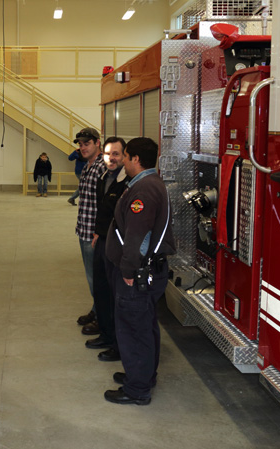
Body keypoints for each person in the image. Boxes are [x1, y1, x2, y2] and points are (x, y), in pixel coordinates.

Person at [104, 137, 176, 405]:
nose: (121, 160)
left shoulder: (144, 190)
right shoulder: (148, 184)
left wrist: (128, 270)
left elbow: (138, 236)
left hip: (138, 273)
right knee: (145, 325)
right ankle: (143, 375)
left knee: (134, 330)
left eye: (125, 156)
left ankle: (137, 389)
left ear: (135, 159)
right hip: (147, 271)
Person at [84, 137, 129, 363]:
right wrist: (97, 233)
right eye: (108, 154)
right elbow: (103, 211)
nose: (111, 158)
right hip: (102, 240)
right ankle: (106, 334)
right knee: (101, 289)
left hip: (117, 245)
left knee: (114, 295)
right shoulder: (104, 178)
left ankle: (117, 344)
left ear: (124, 157)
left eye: (116, 154)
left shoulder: (127, 182)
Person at [74, 127, 106, 335]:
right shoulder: (88, 166)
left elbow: (105, 203)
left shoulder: (103, 167)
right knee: (91, 276)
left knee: (98, 278)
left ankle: (103, 319)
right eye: (80, 144)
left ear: (97, 143)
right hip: (84, 230)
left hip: (94, 234)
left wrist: (99, 232)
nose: (82, 147)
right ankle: (97, 310)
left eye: (87, 143)